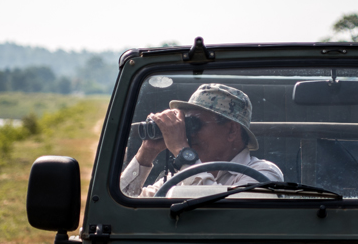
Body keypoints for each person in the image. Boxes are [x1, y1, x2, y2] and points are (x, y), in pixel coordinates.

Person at [120, 83, 284, 197]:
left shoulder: (263, 174)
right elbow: (121, 206)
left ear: (232, 130)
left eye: (195, 124)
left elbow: (223, 213)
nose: (189, 134)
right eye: (187, 124)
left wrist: (182, 152)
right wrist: (147, 152)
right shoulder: (179, 177)